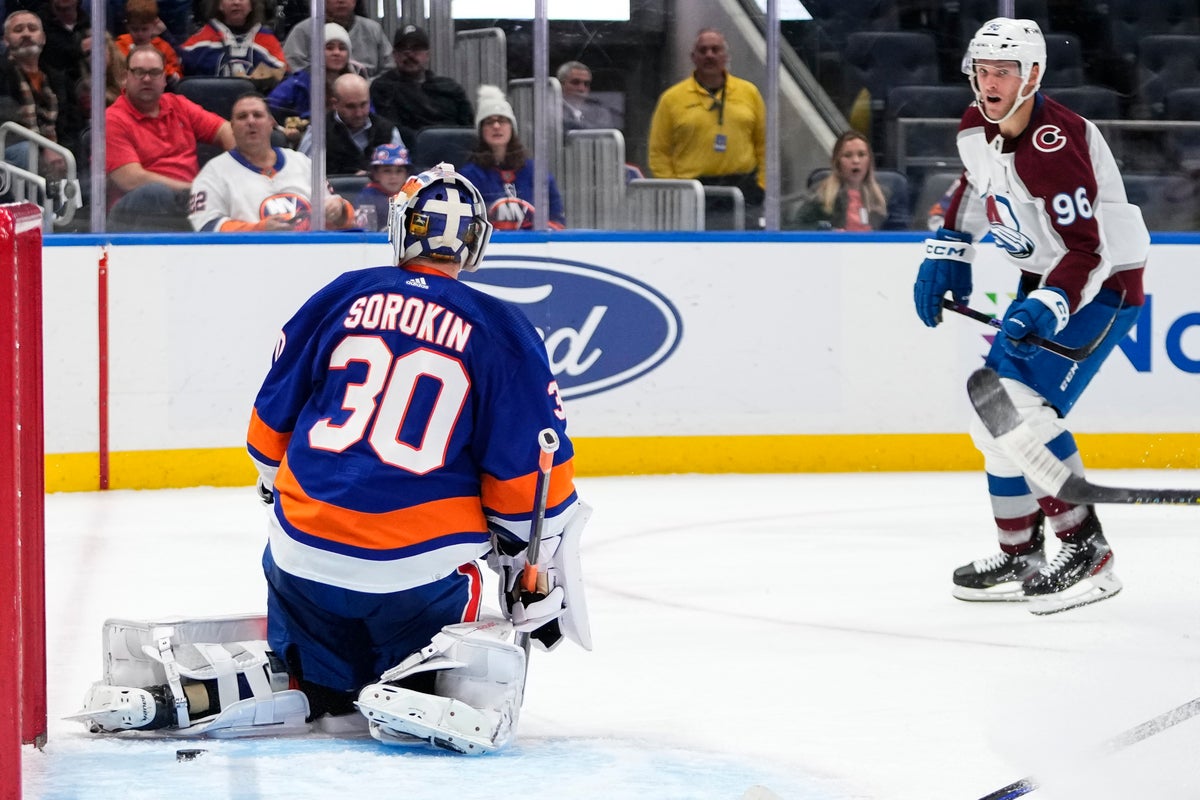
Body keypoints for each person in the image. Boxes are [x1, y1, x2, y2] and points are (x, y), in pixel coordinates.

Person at [914, 18, 1149, 612]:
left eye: (1005, 71)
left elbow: (1088, 251)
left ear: (1034, 75)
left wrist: (1048, 305)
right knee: (990, 410)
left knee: (1017, 410)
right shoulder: (976, 126)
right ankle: (1022, 551)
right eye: (984, 70)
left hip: (1101, 287)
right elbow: (972, 186)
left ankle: (1088, 552)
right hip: (1045, 280)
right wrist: (949, 249)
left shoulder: (1057, 145)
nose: (990, 83)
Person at [647, 27, 766, 229]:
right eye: (703, 50)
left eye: (715, 49)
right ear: (693, 57)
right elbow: (658, 152)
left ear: (726, 56)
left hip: (744, 192)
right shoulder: (672, 99)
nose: (709, 55)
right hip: (693, 192)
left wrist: (762, 186)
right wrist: (675, 190)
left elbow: (764, 145)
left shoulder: (749, 93)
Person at [105, 45, 234, 231]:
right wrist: (194, 191)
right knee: (156, 193)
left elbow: (226, 130)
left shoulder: (178, 105)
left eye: (155, 72)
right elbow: (131, 179)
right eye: (139, 72)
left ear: (164, 79)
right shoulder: (113, 119)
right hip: (135, 212)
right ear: (126, 77)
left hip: (187, 203)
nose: (147, 79)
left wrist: (237, 172)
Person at [188, 91, 353, 231]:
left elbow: (340, 214)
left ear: (271, 123)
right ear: (232, 126)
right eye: (242, 117)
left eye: (258, 115)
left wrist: (340, 210)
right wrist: (258, 230)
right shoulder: (213, 172)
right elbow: (207, 227)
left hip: (309, 254)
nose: (251, 121)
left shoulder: (302, 162)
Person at [459, 84, 565, 231]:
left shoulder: (536, 172)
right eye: (489, 122)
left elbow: (556, 219)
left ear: (511, 127)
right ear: (481, 130)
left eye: (502, 120)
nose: (496, 126)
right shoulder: (469, 176)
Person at [369, 24, 473, 145]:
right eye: (403, 49)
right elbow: (391, 130)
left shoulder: (451, 87)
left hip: (455, 151)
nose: (410, 55)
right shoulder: (383, 87)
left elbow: (469, 128)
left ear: (427, 54)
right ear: (395, 55)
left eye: (416, 48)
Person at [0, 9, 73, 177]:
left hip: (51, 150)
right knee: (26, 151)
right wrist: (44, 147)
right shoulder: (2, 73)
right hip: (9, 151)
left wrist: (60, 150)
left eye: (32, 28)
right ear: (5, 40)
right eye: (18, 30)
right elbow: (7, 122)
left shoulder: (56, 78)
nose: (26, 34)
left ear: (43, 38)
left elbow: (68, 125)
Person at [267, 21, 364, 143]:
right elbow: (268, 107)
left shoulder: (357, 83)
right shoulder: (299, 82)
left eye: (342, 48)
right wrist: (284, 129)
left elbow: (369, 115)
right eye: (329, 48)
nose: (336, 53)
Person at [298, 72, 403, 175]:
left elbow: (402, 174)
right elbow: (303, 174)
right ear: (335, 104)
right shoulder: (318, 132)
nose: (359, 113)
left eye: (363, 104)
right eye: (350, 106)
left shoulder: (387, 130)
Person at [790, 130, 889, 231]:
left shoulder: (885, 195)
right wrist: (828, 232)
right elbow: (797, 227)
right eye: (848, 155)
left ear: (870, 161)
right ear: (837, 162)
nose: (856, 161)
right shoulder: (821, 194)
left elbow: (899, 231)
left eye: (861, 154)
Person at [180, 0, 287, 92]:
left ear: (252, 4)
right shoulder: (200, 42)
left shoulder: (266, 39)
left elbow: (282, 76)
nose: (236, 2)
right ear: (219, 5)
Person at [281, 0, 388, 77]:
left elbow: (389, 68)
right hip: (315, 97)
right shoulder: (303, 30)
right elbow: (291, 67)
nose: (341, 1)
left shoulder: (373, 29)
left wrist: (367, 86)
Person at [113, 0, 182, 85]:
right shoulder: (119, 46)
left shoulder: (164, 47)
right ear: (127, 26)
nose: (140, 34)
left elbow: (176, 70)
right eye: (135, 29)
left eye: (145, 29)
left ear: (154, 25)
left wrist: (172, 75)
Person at [352, 141, 410, 230]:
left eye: (399, 171)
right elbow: (363, 228)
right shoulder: (367, 196)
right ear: (375, 174)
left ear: (406, 174)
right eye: (387, 171)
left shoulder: (414, 195)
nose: (393, 176)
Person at [557, 60, 617, 132]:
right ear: (561, 85)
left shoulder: (600, 113)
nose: (581, 89)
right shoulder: (550, 110)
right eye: (575, 82)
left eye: (586, 84)